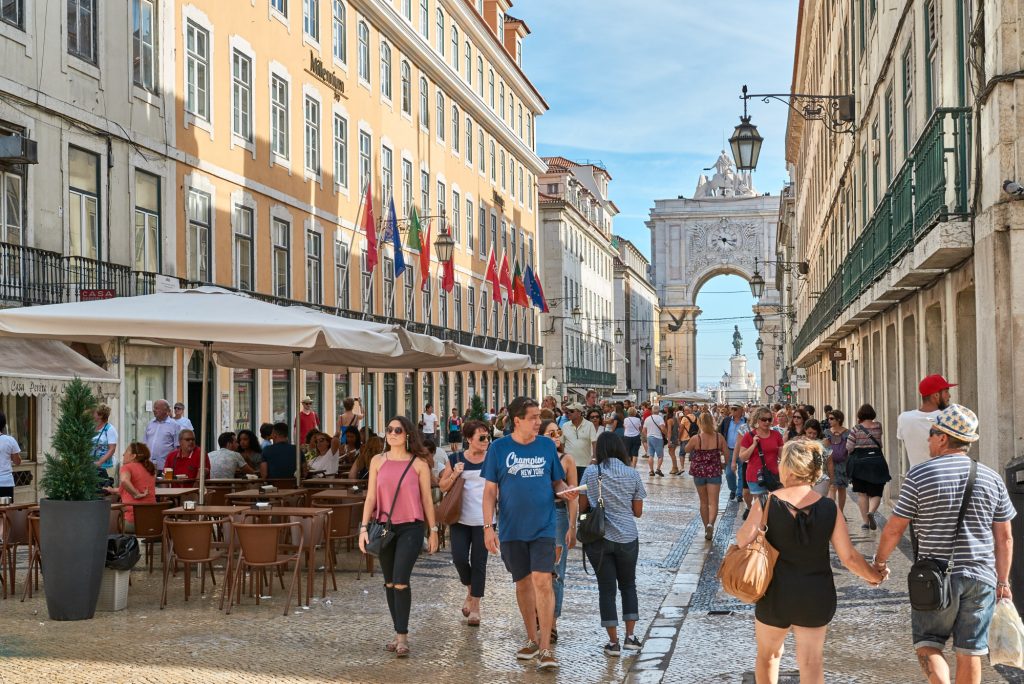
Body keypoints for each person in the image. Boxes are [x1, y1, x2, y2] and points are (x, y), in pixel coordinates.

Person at [873, 404, 1015, 684]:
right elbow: (1005, 537)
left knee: (929, 643)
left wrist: (879, 563)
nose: (928, 439)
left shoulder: (920, 475)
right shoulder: (992, 478)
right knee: (971, 651)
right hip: (981, 577)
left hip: (935, 577)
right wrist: (1003, 582)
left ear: (942, 438)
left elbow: (894, 529)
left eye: (931, 433)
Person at [734, 439, 885, 684]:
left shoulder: (765, 502)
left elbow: (742, 540)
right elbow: (849, 557)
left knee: (769, 656)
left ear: (789, 468)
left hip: (774, 593)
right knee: (811, 662)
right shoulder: (828, 507)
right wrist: (874, 576)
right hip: (816, 594)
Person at [482, 396, 577, 671]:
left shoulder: (547, 446)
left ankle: (547, 647)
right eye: (533, 417)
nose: (539, 422)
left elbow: (556, 481)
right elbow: (490, 492)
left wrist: (564, 492)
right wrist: (488, 527)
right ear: (517, 421)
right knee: (522, 584)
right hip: (512, 529)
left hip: (543, 527)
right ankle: (532, 639)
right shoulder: (499, 449)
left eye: (539, 417)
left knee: (543, 581)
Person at [358, 415, 439, 658]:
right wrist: (363, 528)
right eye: (389, 429)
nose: (392, 433)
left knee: (401, 580)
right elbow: (371, 497)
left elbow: (427, 500)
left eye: (398, 430)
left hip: (411, 528)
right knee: (390, 582)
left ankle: (402, 638)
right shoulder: (376, 461)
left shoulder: (419, 464)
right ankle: (397, 633)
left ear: (408, 435)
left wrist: (433, 531)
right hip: (384, 528)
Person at [579, 432, 647, 657]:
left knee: (606, 590)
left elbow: (581, 507)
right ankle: (631, 637)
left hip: (599, 539)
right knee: (628, 586)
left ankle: (613, 643)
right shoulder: (632, 474)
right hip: (628, 538)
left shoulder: (590, 472)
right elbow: (638, 512)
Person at [439, 420, 492, 626]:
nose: (486, 440)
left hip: (485, 520)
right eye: (481, 437)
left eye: (487, 437)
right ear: (469, 439)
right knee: (459, 558)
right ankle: (470, 590)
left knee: (479, 562)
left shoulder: (492, 460)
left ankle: (476, 606)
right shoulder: (456, 458)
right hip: (460, 518)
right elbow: (443, 486)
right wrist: (454, 474)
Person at [540, 419, 578, 645]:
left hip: (558, 514)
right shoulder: (535, 459)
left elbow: (573, 496)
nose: (556, 436)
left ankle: (552, 622)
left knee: (556, 571)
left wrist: (573, 526)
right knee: (536, 570)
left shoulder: (567, 460)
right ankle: (538, 616)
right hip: (535, 514)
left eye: (558, 432)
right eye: (550, 433)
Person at [845, 404, 889, 530]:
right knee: (876, 492)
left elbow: (849, 447)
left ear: (860, 415)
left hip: (859, 464)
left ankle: (865, 521)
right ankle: (872, 512)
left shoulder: (855, 429)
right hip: (876, 462)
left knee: (862, 494)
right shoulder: (878, 426)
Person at [897, 374, 954, 471]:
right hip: (943, 478)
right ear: (936, 395)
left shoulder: (904, 418)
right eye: (946, 391)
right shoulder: (948, 417)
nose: (949, 395)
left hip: (916, 479)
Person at [685, 413, 727, 540]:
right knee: (713, 502)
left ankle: (705, 528)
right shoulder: (719, 438)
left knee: (703, 502)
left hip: (698, 472)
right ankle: (710, 524)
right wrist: (724, 464)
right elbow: (726, 453)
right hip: (714, 471)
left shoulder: (696, 438)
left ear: (700, 423)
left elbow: (686, 449)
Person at [738, 407, 785, 519]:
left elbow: (782, 456)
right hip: (756, 477)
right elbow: (742, 457)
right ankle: (761, 532)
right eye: (764, 419)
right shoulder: (749, 436)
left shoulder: (776, 435)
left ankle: (769, 531)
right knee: (762, 506)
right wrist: (754, 445)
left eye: (769, 419)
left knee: (774, 507)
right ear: (757, 420)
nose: (767, 422)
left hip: (773, 476)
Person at [103, 443, 156, 533]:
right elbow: (128, 488)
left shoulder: (127, 467)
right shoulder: (149, 468)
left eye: (126, 451)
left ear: (133, 456)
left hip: (132, 522)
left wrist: (136, 494)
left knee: (107, 514)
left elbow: (124, 480)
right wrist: (112, 490)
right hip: (152, 522)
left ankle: (113, 545)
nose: (123, 454)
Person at [561, 403, 598, 481]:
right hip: (569, 464)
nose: (568, 413)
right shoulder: (565, 426)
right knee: (571, 488)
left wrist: (594, 458)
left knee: (583, 489)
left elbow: (594, 442)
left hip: (585, 464)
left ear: (579, 412)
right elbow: (562, 444)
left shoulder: (589, 425)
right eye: (567, 411)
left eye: (571, 411)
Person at [824, 411, 851, 513]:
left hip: (843, 464)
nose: (829, 420)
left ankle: (841, 512)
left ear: (838, 419)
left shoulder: (847, 433)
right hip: (829, 463)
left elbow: (850, 448)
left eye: (831, 418)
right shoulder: (826, 432)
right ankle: (833, 513)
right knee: (832, 487)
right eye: (828, 419)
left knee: (842, 489)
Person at [720, 405, 747, 502]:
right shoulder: (726, 420)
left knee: (741, 473)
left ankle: (739, 494)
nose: (733, 411)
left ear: (741, 410)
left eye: (735, 409)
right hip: (729, 450)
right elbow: (721, 433)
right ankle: (733, 489)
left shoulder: (746, 421)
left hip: (743, 450)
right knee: (729, 473)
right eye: (732, 409)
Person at [144, 399, 180, 472]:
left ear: (165, 410)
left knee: (163, 483)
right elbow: (145, 443)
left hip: (165, 467)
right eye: (154, 408)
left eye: (157, 408)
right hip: (148, 466)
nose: (154, 410)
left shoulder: (174, 425)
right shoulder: (150, 423)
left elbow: (178, 447)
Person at [91, 404, 118, 480]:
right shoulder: (92, 427)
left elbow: (112, 449)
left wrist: (100, 462)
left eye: (95, 413)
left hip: (106, 467)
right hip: (92, 465)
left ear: (100, 415)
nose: (93, 414)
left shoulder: (110, 429)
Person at [0, 412, 22, 499]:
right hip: (6, 482)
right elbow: (17, 462)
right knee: (6, 510)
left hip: (6, 482)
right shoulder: (10, 440)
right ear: (3, 425)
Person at [641, 406, 667, 477]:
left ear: (652, 411)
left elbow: (643, 430)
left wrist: (647, 436)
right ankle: (658, 469)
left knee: (651, 455)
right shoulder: (660, 418)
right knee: (660, 456)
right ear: (658, 411)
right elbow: (662, 428)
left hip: (649, 438)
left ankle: (651, 471)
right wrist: (666, 434)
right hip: (658, 438)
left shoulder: (647, 418)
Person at [665, 408, 683, 475]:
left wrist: (669, 441)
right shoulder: (676, 419)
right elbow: (680, 426)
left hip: (672, 438)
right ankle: (675, 467)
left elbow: (669, 431)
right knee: (672, 453)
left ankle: (675, 468)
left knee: (671, 453)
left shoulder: (669, 420)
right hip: (676, 437)